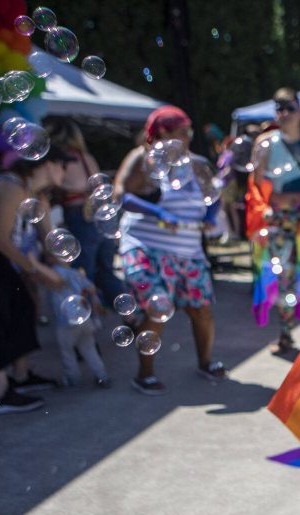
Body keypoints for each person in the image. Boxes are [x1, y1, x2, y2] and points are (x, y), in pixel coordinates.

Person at [113, 105, 227, 395]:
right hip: (147, 246)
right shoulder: (143, 158)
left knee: (201, 311)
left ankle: (206, 362)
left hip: (188, 251)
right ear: (162, 132)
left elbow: (213, 196)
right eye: (182, 131)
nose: (188, 137)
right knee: (158, 306)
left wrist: (211, 216)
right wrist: (158, 212)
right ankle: (145, 374)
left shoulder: (196, 164)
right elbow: (121, 194)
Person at [0, 145, 70, 413]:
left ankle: (21, 376)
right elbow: (1, 239)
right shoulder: (13, 187)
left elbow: (49, 238)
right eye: (62, 165)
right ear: (45, 165)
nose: (66, 171)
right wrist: (35, 271)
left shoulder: (35, 193)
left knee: (22, 305)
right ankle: (0, 394)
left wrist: (65, 269)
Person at [250, 88, 300, 351]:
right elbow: (256, 184)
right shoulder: (265, 143)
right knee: (284, 275)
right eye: (279, 108)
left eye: (289, 108)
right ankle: (286, 333)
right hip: (280, 219)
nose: (284, 114)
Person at [44, 117, 126, 306]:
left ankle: (86, 317)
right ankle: (130, 315)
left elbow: (60, 186)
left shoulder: (61, 160)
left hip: (79, 216)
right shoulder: (86, 158)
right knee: (106, 270)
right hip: (100, 216)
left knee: (83, 270)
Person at [44, 253, 110, 388]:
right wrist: (97, 304)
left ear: (50, 259)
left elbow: (54, 281)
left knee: (67, 352)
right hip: (84, 319)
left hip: (66, 322)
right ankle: (102, 376)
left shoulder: (54, 273)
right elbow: (91, 288)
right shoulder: (76, 273)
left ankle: (72, 378)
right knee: (89, 348)